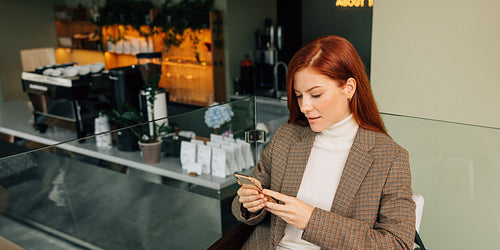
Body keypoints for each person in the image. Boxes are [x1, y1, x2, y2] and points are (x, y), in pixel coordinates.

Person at [232, 35, 416, 249]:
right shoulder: (286, 137)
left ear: (349, 88)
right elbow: (243, 205)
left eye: (316, 94)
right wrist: (249, 204)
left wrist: (312, 220)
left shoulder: (389, 157)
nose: (304, 107)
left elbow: (398, 243)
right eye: (299, 96)